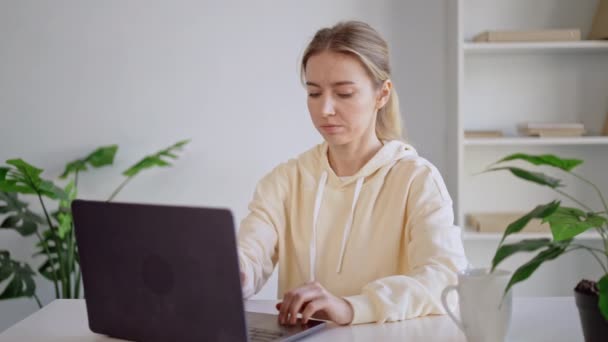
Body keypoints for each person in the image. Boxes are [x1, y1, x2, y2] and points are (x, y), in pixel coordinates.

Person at [237, 20, 467, 326]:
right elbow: (250, 254)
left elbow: (446, 279)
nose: (325, 109)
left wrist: (351, 307)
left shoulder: (417, 180)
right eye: (314, 93)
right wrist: (233, 274)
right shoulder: (285, 180)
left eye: (344, 93)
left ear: (382, 94)